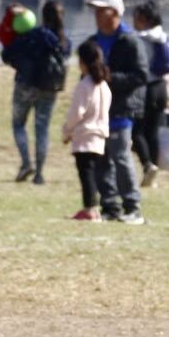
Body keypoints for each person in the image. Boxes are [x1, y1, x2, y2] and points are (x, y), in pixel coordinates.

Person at [84, 0, 149, 224]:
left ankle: (132, 206)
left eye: (103, 10)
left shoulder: (130, 41)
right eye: (96, 11)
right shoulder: (93, 42)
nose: (98, 15)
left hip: (122, 108)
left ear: (116, 13)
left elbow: (141, 75)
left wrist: (110, 78)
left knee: (121, 157)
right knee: (100, 158)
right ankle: (110, 206)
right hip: (98, 109)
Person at [1, 0, 69, 186]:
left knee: (18, 124)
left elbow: (7, 54)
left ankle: (26, 163)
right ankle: (39, 173)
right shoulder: (64, 40)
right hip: (50, 88)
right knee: (42, 129)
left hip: (25, 85)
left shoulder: (34, 34)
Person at [61, 41, 112, 222]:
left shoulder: (85, 85)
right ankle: (94, 208)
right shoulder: (104, 85)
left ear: (83, 62)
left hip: (84, 135)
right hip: (99, 135)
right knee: (93, 173)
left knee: (86, 174)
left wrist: (67, 131)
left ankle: (90, 208)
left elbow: (77, 112)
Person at [132, 1, 169, 189]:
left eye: (136, 17)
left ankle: (147, 165)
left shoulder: (141, 38)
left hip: (147, 88)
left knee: (137, 131)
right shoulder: (164, 37)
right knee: (153, 132)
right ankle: (153, 176)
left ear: (144, 19)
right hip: (162, 88)